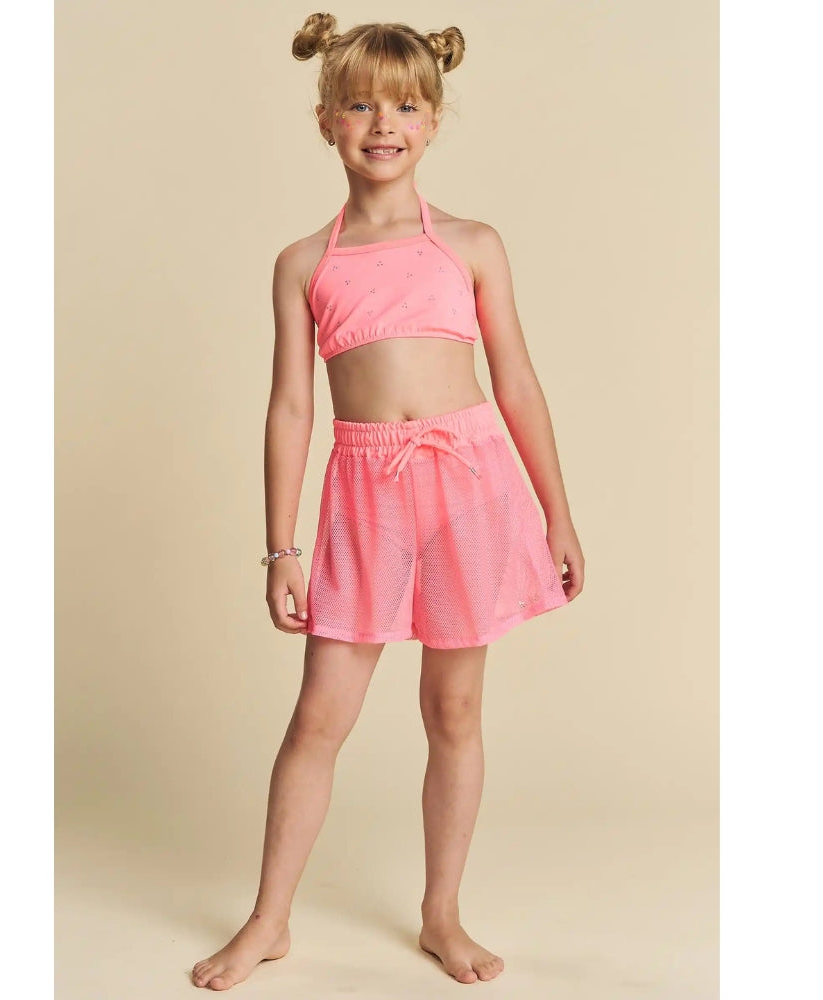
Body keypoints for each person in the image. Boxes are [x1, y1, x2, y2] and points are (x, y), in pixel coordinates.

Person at [192, 11, 585, 991]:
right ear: (326, 119)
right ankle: (268, 919)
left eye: (405, 107)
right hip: (365, 495)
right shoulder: (304, 263)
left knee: (454, 708)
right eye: (361, 105)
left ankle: (441, 912)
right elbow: (291, 408)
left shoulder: (473, 244)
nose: (383, 124)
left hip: (469, 489)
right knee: (318, 717)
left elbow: (517, 382)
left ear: (434, 121)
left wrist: (558, 513)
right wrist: (280, 548)